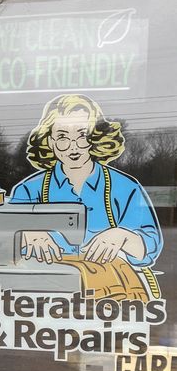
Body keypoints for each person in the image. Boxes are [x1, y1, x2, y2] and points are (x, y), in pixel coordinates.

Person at [10, 94, 162, 273]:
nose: (73, 146)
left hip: (106, 292)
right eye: (62, 137)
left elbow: (150, 247)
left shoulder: (126, 188)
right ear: (51, 142)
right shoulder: (29, 190)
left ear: (95, 138)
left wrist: (124, 236)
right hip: (45, 293)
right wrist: (24, 234)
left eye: (82, 135)